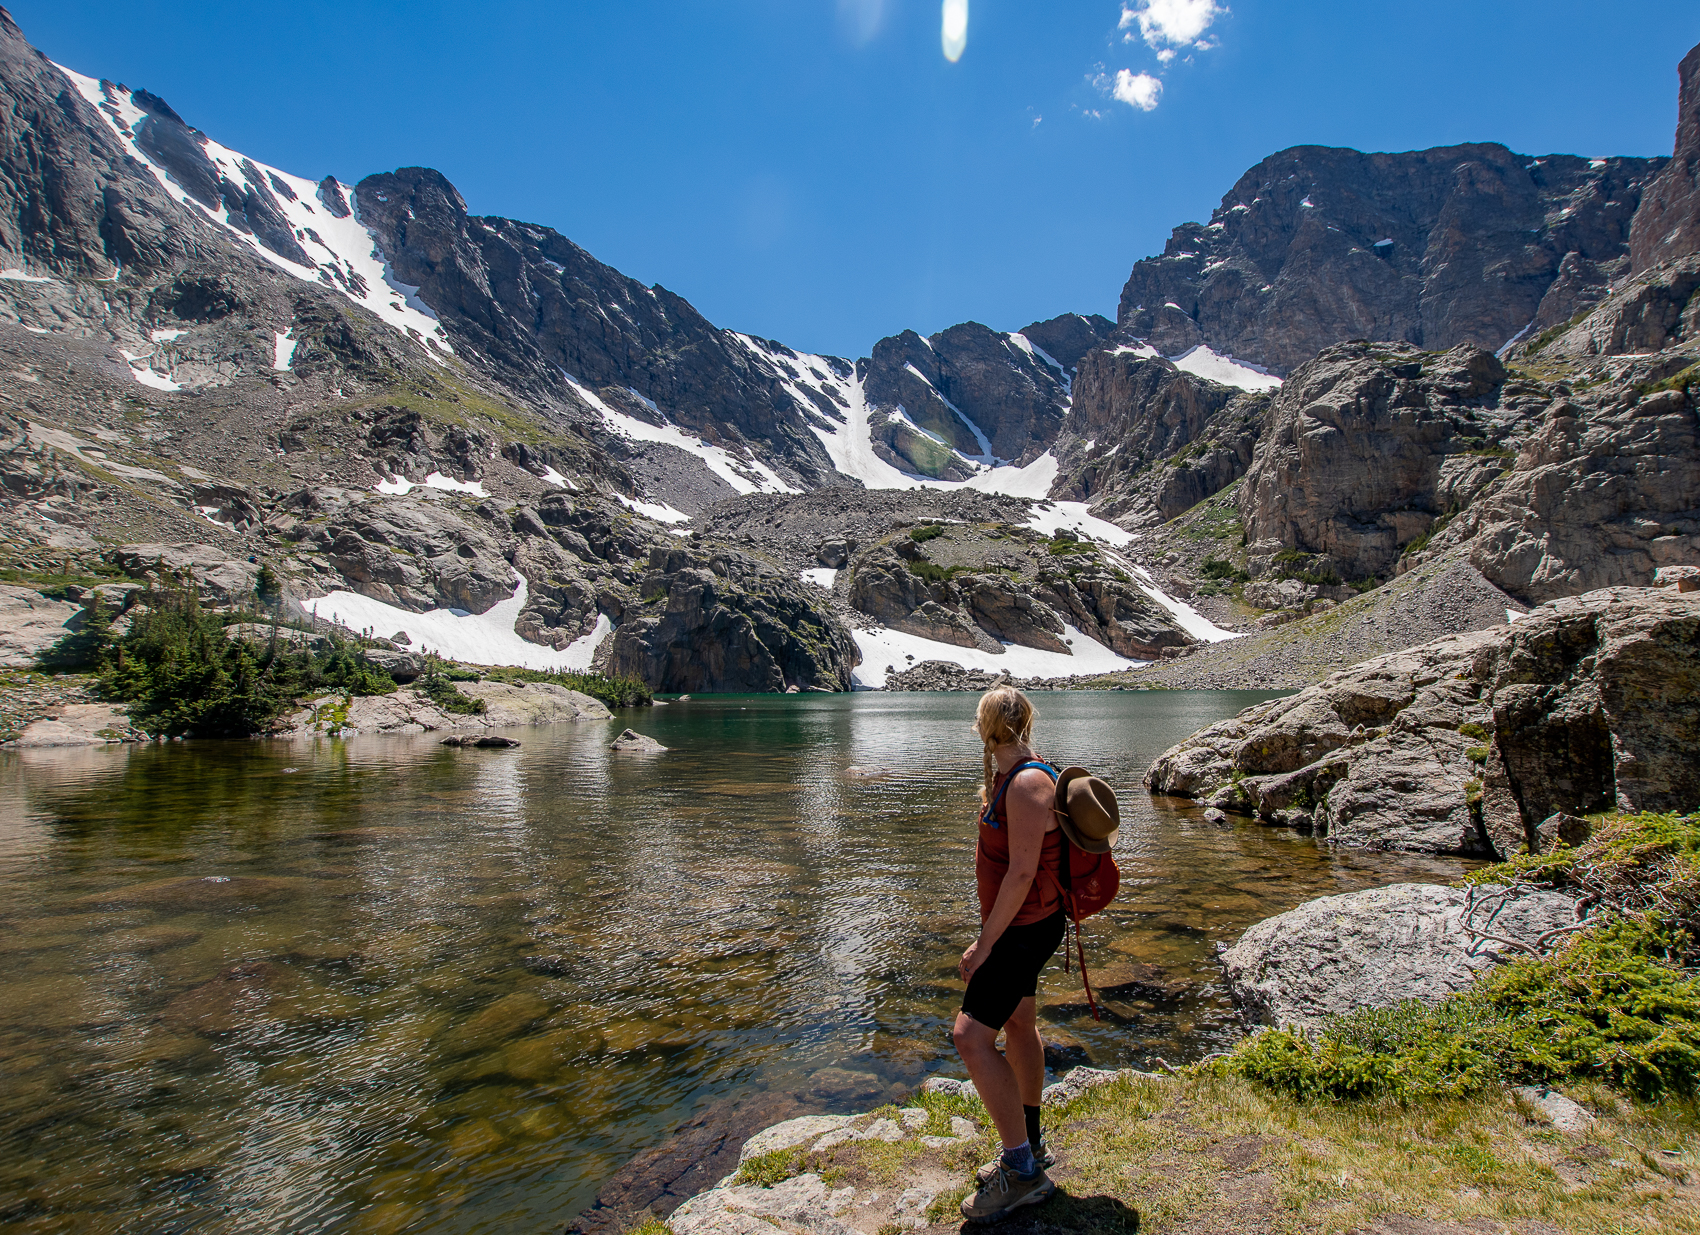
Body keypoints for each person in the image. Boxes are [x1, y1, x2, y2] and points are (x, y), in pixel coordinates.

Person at [952, 685, 1065, 1223]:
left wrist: (984, 944)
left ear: (986, 725)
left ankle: (1021, 1171)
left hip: (1021, 931)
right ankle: (1033, 1143)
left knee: (970, 1037)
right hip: (1025, 927)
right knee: (1019, 1024)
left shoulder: (1025, 783)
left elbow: (1021, 874)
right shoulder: (1008, 777)